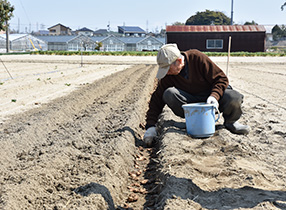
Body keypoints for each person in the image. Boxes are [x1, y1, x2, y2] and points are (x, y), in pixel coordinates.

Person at [143, 43, 250, 146]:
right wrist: (151, 126)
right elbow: (157, 99)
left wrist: (214, 96)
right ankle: (193, 122)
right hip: (191, 102)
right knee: (169, 93)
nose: (167, 73)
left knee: (234, 97)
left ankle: (231, 122)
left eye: (168, 69)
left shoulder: (197, 58)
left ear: (179, 61)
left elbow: (221, 79)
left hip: (210, 98)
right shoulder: (169, 76)